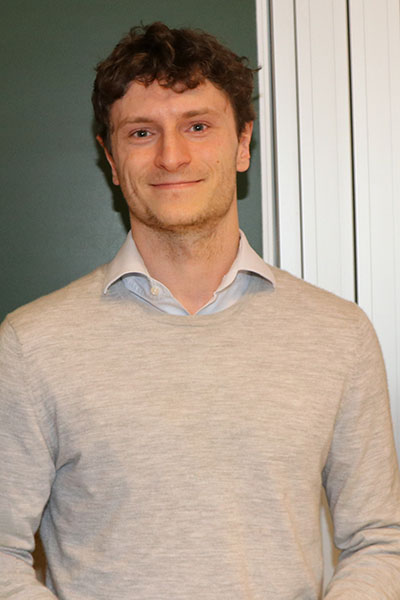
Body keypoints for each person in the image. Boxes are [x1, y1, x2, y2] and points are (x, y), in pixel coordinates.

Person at [0, 21, 399, 600]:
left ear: (242, 144)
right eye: (141, 132)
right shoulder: (32, 344)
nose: (171, 156)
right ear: (110, 158)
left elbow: (380, 541)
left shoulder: (339, 335)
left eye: (198, 126)